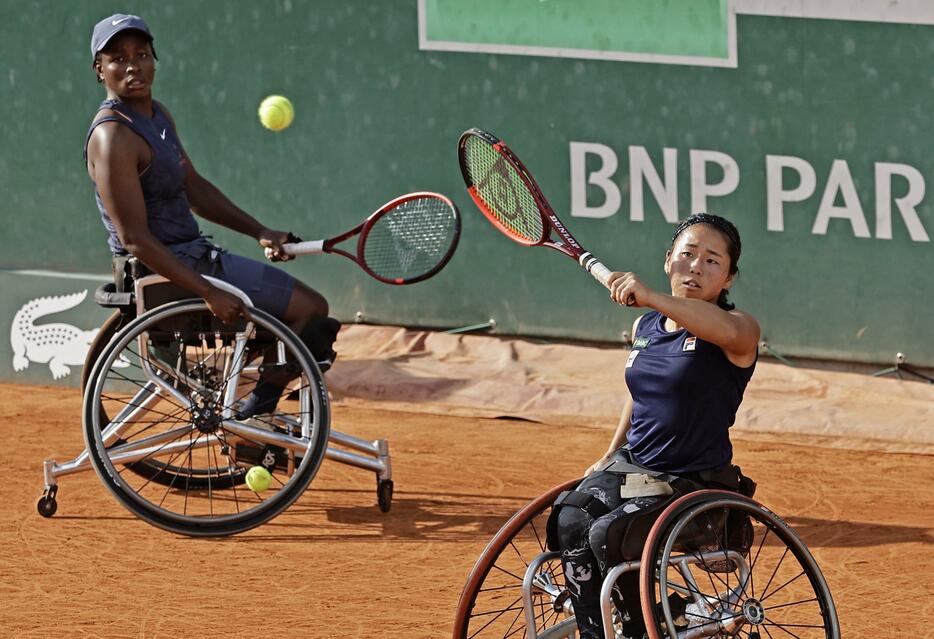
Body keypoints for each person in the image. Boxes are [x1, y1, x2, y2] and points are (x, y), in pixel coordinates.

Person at [83, 14, 338, 416]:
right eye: (117, 58)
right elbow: (134, 238)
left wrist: (260, 231)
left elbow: (194, 189)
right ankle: (251, 414)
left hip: (195, 257)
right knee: (310, 310)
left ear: (155, 59)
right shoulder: (112, 137)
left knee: (307, 320)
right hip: (166, 276)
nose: (133, 66)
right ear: (99, 70)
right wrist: (207, 290)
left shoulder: (157, 116)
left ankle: (254, 415)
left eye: (142, 55)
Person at [546, 213, 760, 639]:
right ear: (669, 261)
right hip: (635, 468)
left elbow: (718, 327)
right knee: (568, 518)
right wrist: (610, 452)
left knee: (609, 533)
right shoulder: (646, 326)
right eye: (687, 254)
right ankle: (603, 629)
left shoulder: (740, 330)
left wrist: (651, 296)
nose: (696, 266)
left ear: (729, 278)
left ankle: (651, 622)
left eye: (712, 261)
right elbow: (640, 393)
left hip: (691, 483)